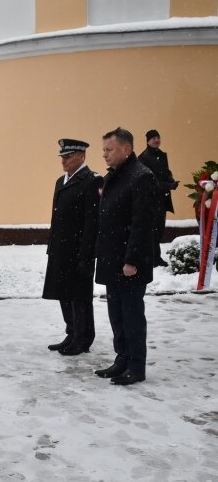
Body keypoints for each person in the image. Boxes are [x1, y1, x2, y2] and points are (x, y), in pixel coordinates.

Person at [94, 127, 157, 386]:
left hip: (129, 263)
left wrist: (131, 260)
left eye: (109, 150)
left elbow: (142, 224)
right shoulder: (115, 176)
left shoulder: (141, 177)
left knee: (131, 314)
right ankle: (121, 359)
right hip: (112, 259)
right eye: (104, 150)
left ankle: (135, 366)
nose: (105, 155)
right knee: (116, 313)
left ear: (126, 149)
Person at [42, 139, 103, 356]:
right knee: (63, 293)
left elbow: (91, 222)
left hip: (79, 250)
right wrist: (52, 245)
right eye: (62, 157)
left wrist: (87, 254)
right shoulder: (61, 181)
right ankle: (72, 332)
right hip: (61, 249)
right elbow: (57, 217)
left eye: (68, 156)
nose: (64, 160)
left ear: (82, 156)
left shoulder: (92, 181)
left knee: (79, 296)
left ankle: (83, 337)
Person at [138, 129, 178, 267]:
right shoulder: (143, 158)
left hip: (162, 198)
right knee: (152, 230)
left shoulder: (162, 155)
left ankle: (156, 257)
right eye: (153, 138)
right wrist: (168, 185)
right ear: (148, 140)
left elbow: (166, 171)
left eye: (158, 137)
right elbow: (148, 182)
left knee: (159, 229)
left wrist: (171, 180)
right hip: (150, 200)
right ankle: (151, 258)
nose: (156, 140)